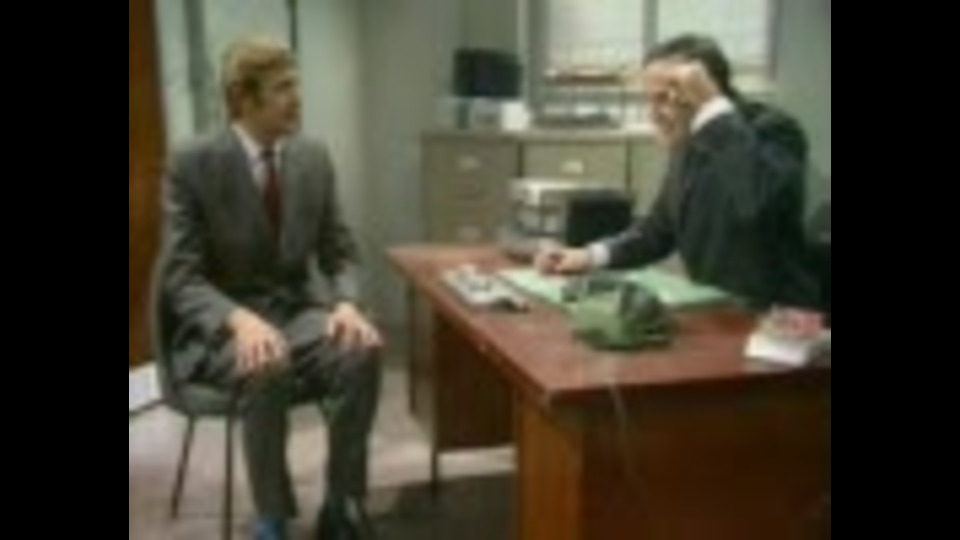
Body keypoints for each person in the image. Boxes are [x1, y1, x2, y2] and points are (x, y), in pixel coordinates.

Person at [158, 35, 381, 540]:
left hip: (297, 314)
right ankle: (272, 518)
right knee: (265, 361)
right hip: (222, 326)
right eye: (282, 88)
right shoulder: (192, 163)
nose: (296, 99)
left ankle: (341, 504)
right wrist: (238, 320)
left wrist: (346, 303)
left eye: (295, 85)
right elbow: (181, 277)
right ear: (242, 98)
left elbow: (340, 252)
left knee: (361, 349)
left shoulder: (313, 157)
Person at [535, 34, 821, 313]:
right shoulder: (689, 141)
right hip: (718, 315)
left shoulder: (774, 130)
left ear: (704, 91)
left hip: (778, 319)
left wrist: (711, 107)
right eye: (649, 100)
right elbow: (657, 232)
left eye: (663, 99)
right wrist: (589, 256)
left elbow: (756, 202)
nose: (653, 115)